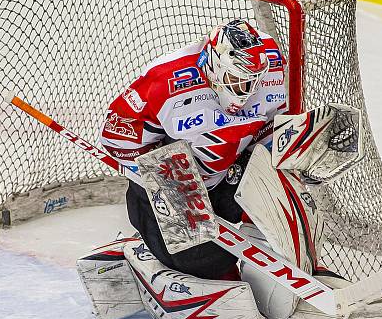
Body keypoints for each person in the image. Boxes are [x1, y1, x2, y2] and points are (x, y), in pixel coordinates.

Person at [99, 19, 287, 281]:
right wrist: (169, 180)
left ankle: (271, 277)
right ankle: (143, 254)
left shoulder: (272, 61)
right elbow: (117, 138)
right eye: (237, 79)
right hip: (175, 179)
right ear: (213, 66)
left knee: (281, 211)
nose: (247, 91)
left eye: (254, 81)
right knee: (203, 261)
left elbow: (277, 121)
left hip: (227, 174)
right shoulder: (166, 80)